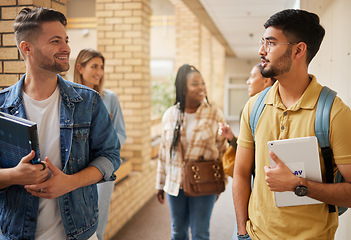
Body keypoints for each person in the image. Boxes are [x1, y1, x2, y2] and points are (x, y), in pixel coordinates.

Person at [0, 7, 120, 240]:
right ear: (27, 48)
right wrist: (14, 175)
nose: (66, 48)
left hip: (79, 232)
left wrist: (70, 182)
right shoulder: (2, 107)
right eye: (55, 41)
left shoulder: (88, 101)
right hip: (15, 233)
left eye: (65, 40)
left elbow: (111, 156)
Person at [233, 9, 351, 240]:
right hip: (256, 235)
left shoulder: (335, 114)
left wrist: (299, 184)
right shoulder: (254, 107)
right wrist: (241, 232)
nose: (261, 50)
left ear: (298, 50)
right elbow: (240, 173)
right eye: (262, 42)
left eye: (271, 43)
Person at [155, 64, 227, 240]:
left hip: (204, 182)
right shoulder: (170, 115)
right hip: (175, 182)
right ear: (183, 88)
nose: (201, 87)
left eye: (202, 83)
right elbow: (164, 153)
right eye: (195, 84)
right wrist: (160, 183)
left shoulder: (214, 114)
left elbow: (222, 150)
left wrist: (221, 181)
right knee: (178, 232)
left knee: (200, 233)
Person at [73, 48, 126, 240]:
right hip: (76, 170)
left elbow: (120, 133)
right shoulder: (69, 99)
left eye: (101, 67)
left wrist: (105, 146)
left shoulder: (110, 98)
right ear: (80, 67)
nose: (99, 72)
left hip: (101, 170)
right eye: (94, 66)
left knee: (98, 226)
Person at [219, 63, 276, 176]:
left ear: (266, 81)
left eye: (253, 76)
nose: (248, 81)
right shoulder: (249, 110)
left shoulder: (270, 110)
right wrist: (231, 138)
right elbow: (250, 151)